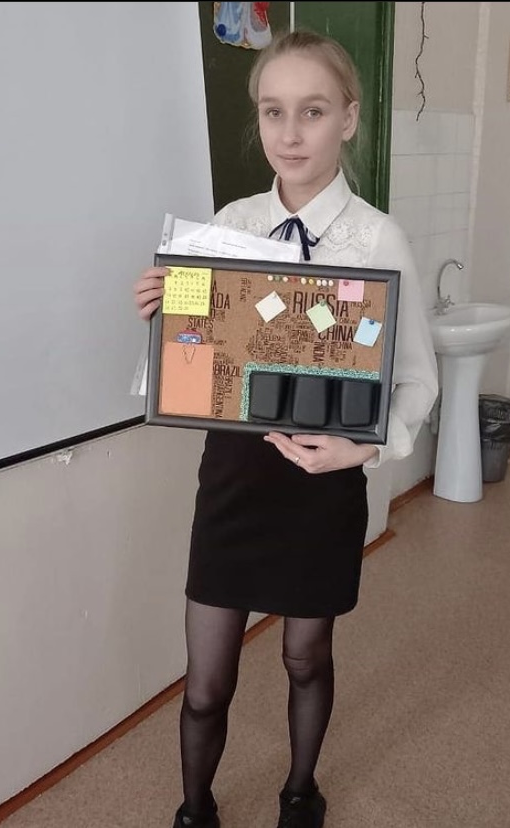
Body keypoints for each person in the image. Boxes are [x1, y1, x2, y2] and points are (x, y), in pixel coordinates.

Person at [133, 29, 439, 828]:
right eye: (273, 111)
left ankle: (299, 791)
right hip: (234, 481)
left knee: (306, 656)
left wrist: (361, 447)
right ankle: (195, 808)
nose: (290, 132)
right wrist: (165, 318)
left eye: (311, 111)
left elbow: (416, 379)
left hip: (321, 486)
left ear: (348, 118)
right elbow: (199, 357)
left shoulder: (378, 238)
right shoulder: (228, 224)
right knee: (207, 680)